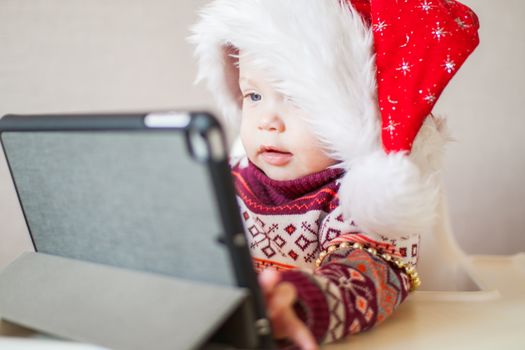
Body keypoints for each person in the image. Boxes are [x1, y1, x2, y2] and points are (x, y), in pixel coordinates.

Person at [190, 0, 479, 348]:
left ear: (351, 111)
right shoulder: (229, 181)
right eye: (254, 95)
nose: (268, 121)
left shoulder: (361, 201)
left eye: (298, 98)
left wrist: (301, 304)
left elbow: (367, 275)